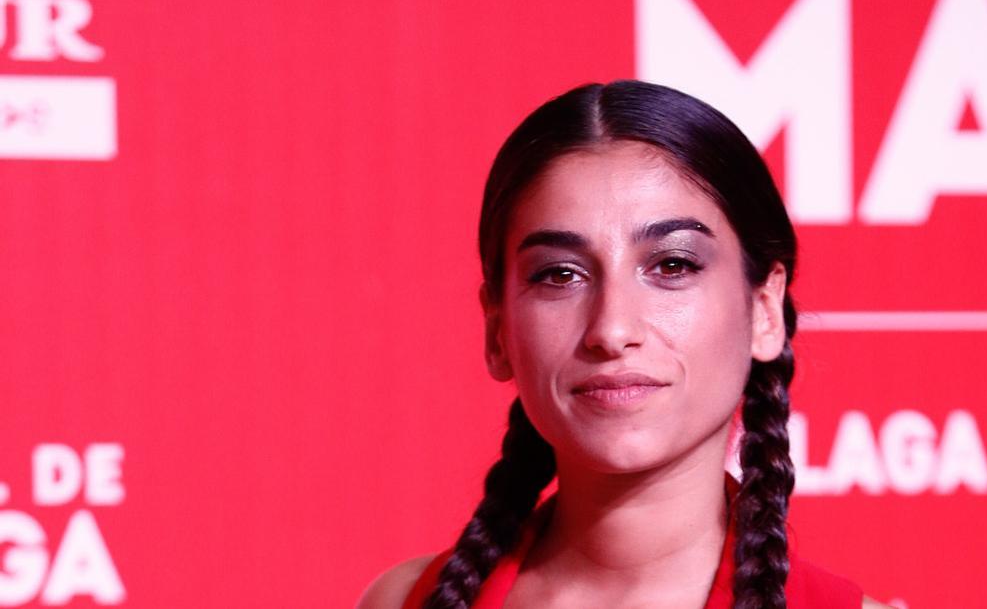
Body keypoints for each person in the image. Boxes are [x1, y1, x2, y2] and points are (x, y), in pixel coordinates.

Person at [359, 80, 890, 609]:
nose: (611, 330)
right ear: (497, 329)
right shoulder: (405, 600)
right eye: (559, 275)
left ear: (765, 309)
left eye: (673, 266)